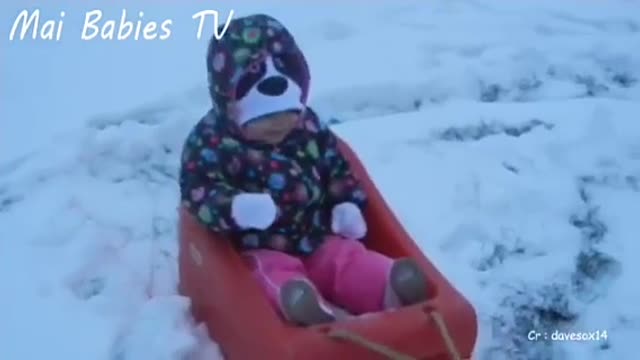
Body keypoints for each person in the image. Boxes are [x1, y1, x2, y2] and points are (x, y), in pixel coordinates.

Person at [179, 14, 429, 326]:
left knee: (345, 260)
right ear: (230, 106)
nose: (280, 126)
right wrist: (236, 209)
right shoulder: (212, 143)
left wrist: (346, 204)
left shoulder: (307, 126)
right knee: (269, 273)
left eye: (288, 114)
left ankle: (390, 284)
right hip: (259, 246)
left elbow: (336, 166)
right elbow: (199, 191)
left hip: (317, 235)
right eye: (263, 120)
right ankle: (299, 304)